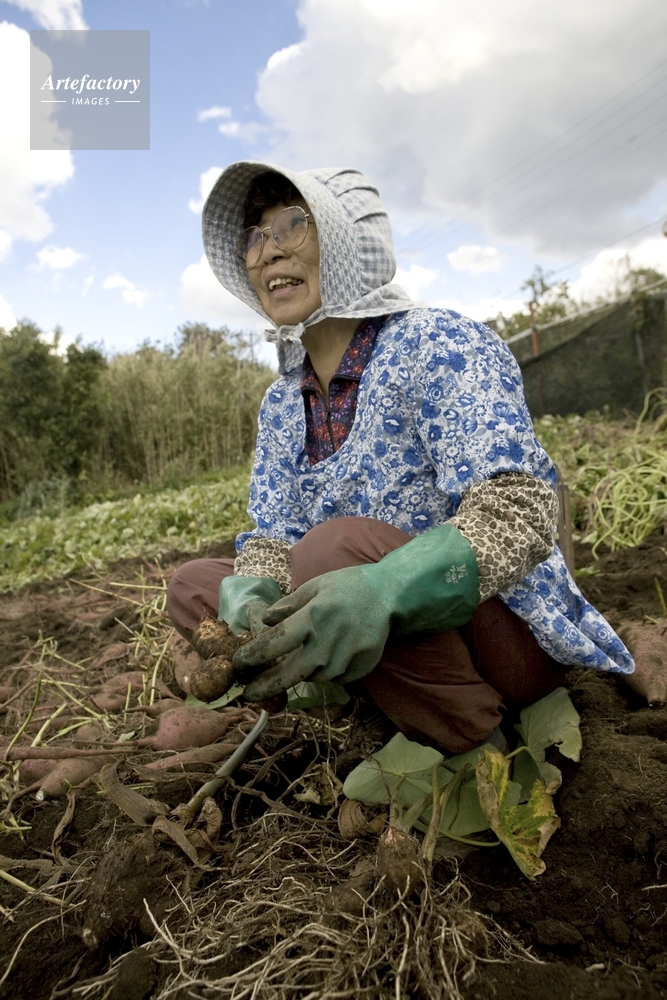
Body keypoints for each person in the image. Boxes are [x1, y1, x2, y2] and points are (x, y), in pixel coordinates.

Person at [167, 162, 633, 754]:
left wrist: (387, 585)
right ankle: (354, 688)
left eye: (292, 225)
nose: (268, 252)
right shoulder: (282, 401)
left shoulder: (438, 343)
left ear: (348, 243)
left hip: (501, 635)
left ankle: (470, 741)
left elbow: (520, 510)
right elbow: (276, 535)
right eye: (255, 238)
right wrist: (254, 596)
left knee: (330, 551)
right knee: (195, 586)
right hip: (378, 629)